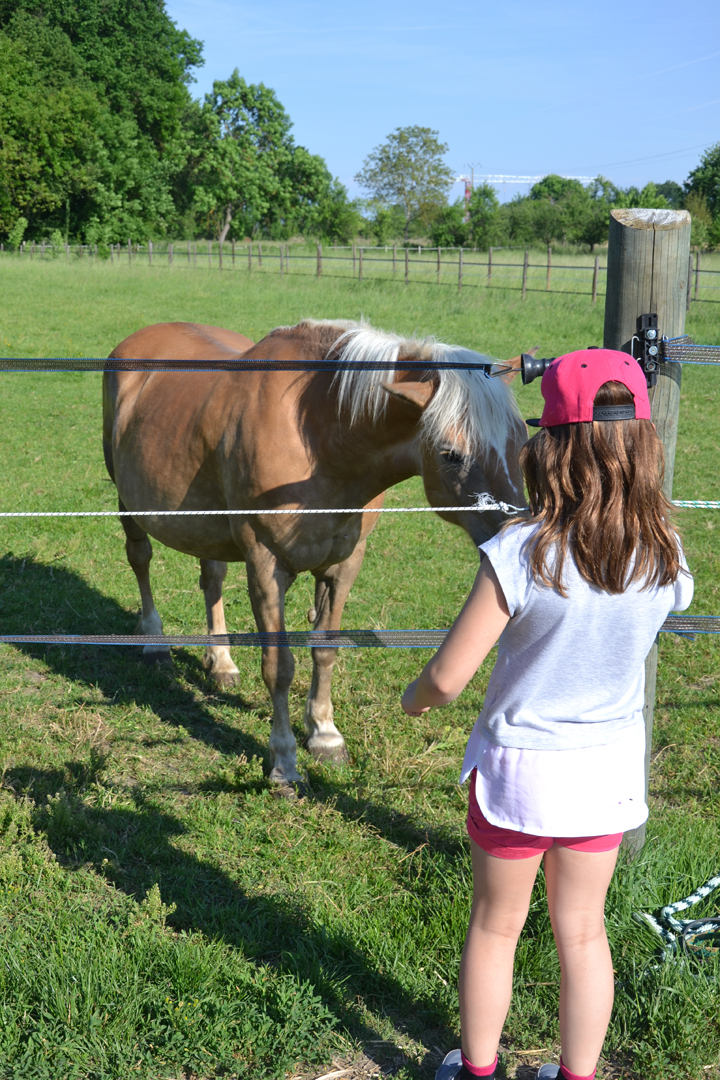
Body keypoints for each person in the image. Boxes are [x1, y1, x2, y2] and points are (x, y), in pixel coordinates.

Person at [401, 349, 694, 1080]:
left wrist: (415, 698)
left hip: (519, 772)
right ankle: (576, 1076)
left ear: (549, 449)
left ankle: (477, 1070)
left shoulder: (521, 553)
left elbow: (448, 676)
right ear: (643, 446)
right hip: (605, 771)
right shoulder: (665, 554)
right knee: (586, 935)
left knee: (496, 927)